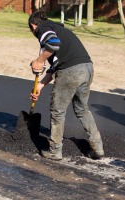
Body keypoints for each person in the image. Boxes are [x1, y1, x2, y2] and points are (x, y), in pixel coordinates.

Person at [28, 10, 104, 160]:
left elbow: (53, 44)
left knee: (57, 111)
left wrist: (39, 60)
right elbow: (56, 64)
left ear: (33, 25)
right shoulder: (59, 29)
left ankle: (55, 151)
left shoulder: (43, 29)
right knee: (82, 109)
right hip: (87, 68)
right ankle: (98, 147)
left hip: (71, 71)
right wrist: (41, 85)